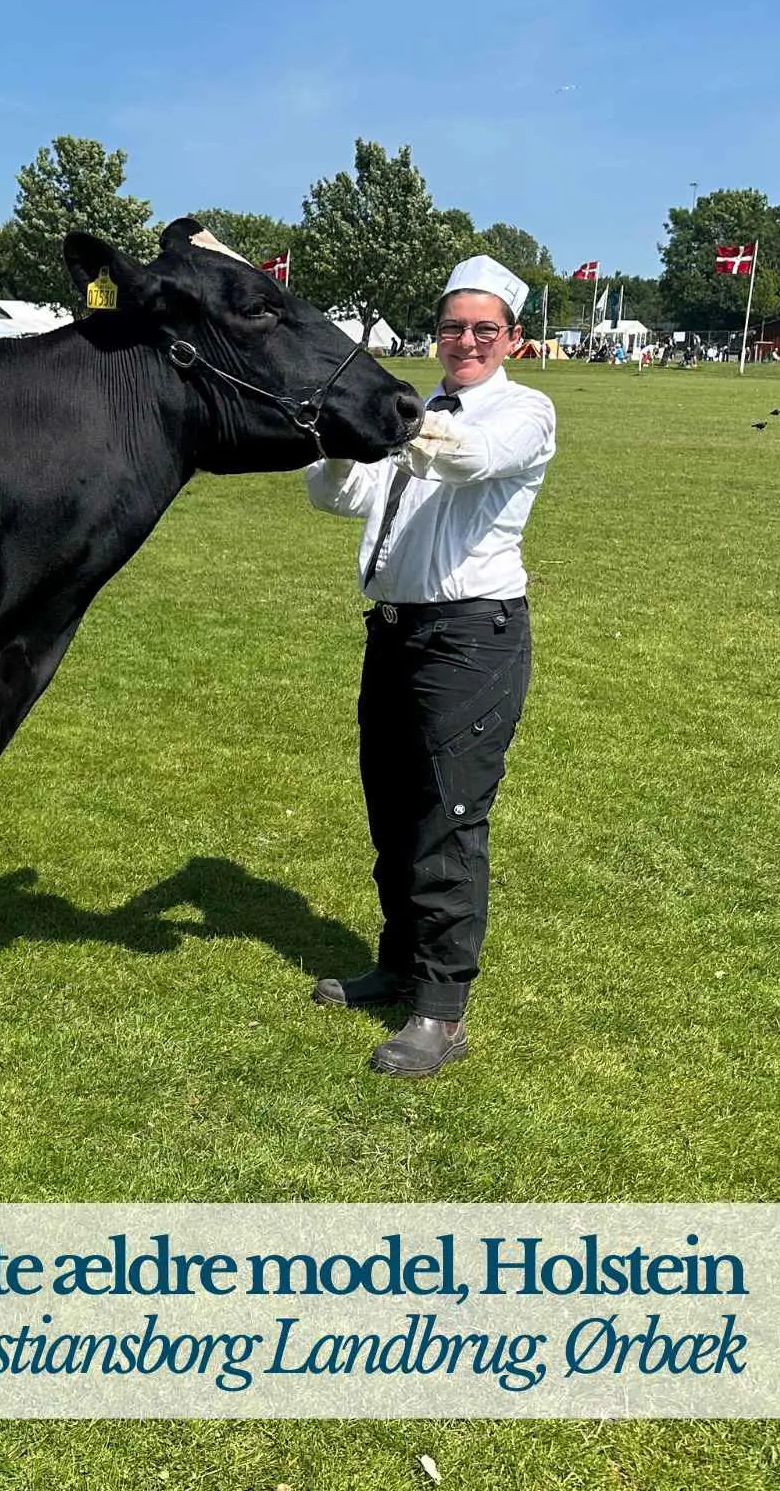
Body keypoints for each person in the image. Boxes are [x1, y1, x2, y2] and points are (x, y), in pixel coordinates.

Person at [303, 254, 558, 1076]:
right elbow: (334, 496)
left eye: (486, 329)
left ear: (513, 336)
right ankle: (400, 962)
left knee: (447, 817)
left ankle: (442, 1011)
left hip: (470, 637)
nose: (468, 341)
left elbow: (469, 458)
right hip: (394, 631)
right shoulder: (412, 408)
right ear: (437, 334)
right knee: (393, 803)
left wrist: (389, 419)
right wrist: (347, 438)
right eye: (454, 327)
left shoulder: (524, 411)